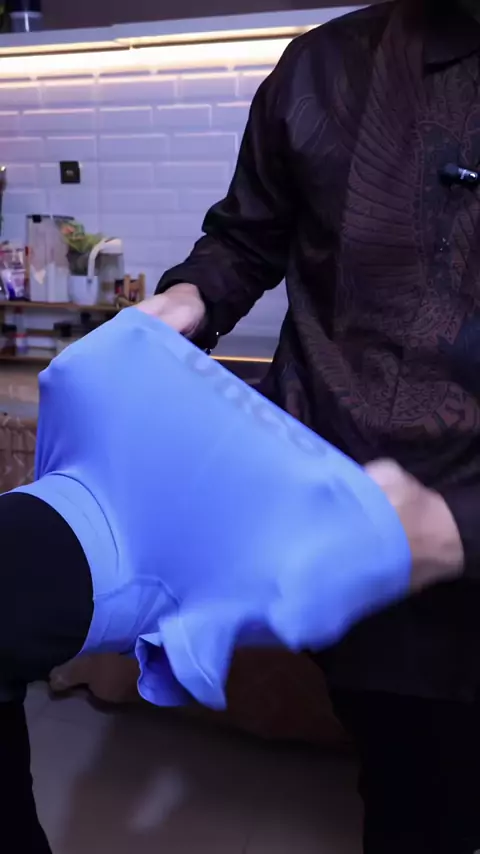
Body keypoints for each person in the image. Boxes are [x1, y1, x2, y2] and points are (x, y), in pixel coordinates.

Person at [142, 1, 480, 851]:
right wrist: (186, 300)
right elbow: (244, 238)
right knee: (407, 789)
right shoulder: (321, 66)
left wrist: (460, 527)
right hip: (345, 524)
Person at [0, 305, 414, 851]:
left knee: (415, 782)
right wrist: (194, 289)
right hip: (117, 473)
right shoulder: (84, 375)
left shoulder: (84, 374)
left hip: (381, 512)